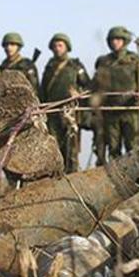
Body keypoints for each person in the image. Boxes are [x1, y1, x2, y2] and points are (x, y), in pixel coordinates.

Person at [39, 33, 90, 173]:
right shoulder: (49, 67)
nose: (57, 48)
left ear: (67, 47)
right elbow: (42, 90)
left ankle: (72, 178)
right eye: (55, 46)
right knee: (53, 149)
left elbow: (89, 86)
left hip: (69, 114)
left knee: (71, 151)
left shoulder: (75, 66)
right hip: (52, 113)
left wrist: (79, 94)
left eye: (60, 45)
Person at [92, 26, 139, 161]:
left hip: (130, 110)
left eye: (118, 39)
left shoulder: (135, 60)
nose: (115, 42)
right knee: (113, 148)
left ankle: (134, 178)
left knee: (132, 147)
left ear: (124, 41)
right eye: (112, 40)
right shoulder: (104, 62)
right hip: (110, 110)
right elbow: (96, 85)